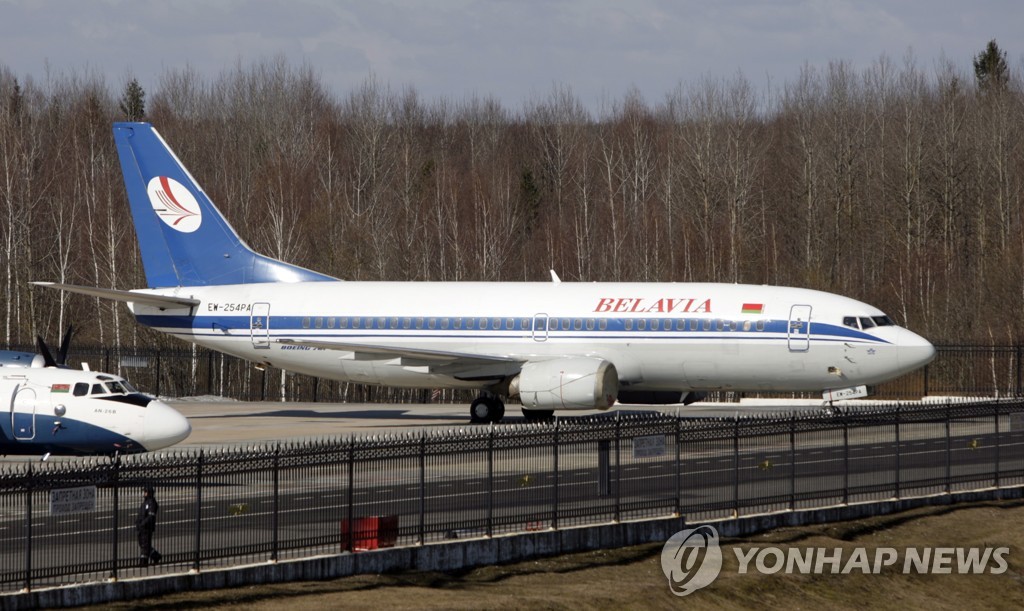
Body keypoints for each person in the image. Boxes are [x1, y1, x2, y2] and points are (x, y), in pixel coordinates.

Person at [135, 486, 160, 566]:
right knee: (142, 543)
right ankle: (155, 556)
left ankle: (143, 561)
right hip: (142, 527)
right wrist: (138, 522)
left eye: (146, 492)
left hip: (147, 527)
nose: (144, 493)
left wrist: (144, 523)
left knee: (145, 544)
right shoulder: (145, 502)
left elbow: (151, 516)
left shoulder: (152, 502)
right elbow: (141, 514)